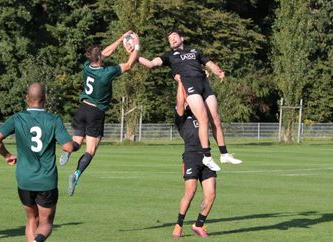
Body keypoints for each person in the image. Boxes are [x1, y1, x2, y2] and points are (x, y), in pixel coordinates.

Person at [138, 29, 242, 171]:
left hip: (204, 84)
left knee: (216, 120)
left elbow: (209, 63)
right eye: (170, 39)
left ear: (182, 38)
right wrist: (135, 55)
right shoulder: (168, 56)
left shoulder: (195, 51)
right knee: (203, 119)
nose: (172, 39)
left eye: (174, 36)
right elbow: (150, 64)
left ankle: (224, 154)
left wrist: (218, 71)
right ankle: (207, 157)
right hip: (190, 86)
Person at [0, 82, 75, 242]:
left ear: (26, 98)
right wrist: (76, 144)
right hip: (46, 181)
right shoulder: (53, 119)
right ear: (45, 99)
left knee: (31, 220)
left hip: (24, 179)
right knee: (46, 223)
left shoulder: (17, 118)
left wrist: (7, 156)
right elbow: (68, 147)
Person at [59, 31, 140, 196]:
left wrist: (120, 38)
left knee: (76, 143)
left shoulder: (86, 66)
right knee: (90, 150)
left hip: (82, 109)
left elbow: (105, 53)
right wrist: (136, 45)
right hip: (95, 113)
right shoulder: (106, 73)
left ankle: (67, 150)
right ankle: (76, 175)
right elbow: (129, 64)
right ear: (100, 58)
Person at [172, 79, 217, 238]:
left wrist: (204, 81)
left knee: (211, 194)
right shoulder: (182, 119)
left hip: (207, 156)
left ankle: (199, 225)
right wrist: (180, 82)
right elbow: (179, 102)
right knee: (190, 192)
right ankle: (178, 224)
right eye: (185, 102)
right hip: (191, 157)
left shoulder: (201, 114)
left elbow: (203, 96)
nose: (186, 103)